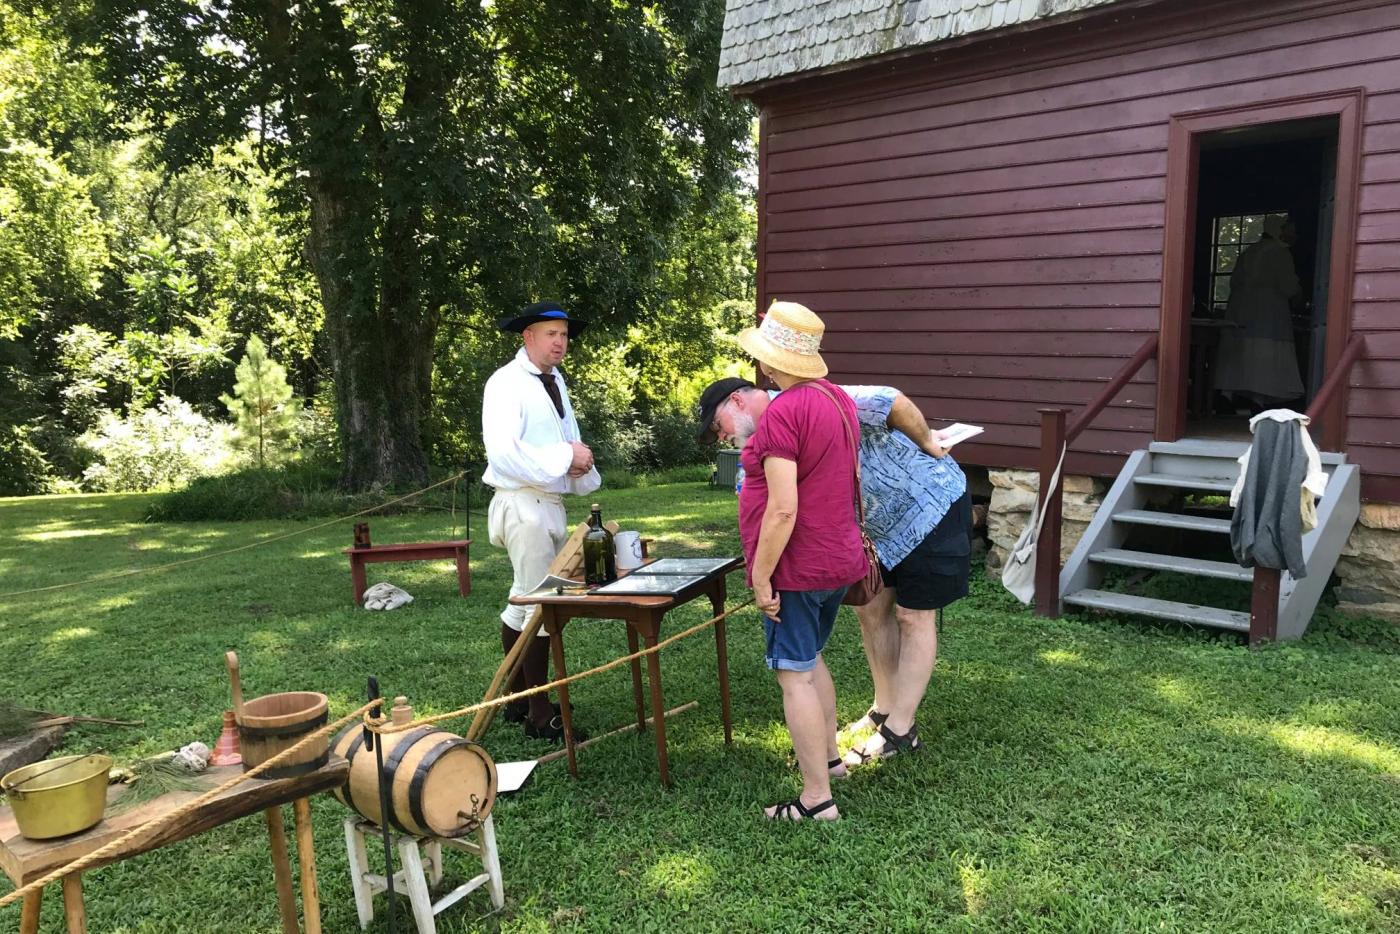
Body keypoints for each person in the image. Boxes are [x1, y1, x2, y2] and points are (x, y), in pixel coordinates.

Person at [698, 375, 971, 769]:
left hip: (927, 505)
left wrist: (927, 441)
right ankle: (884, 707)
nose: (720, 436)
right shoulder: (770, 432)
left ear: (737, 401)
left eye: (716, 425)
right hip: (879, 527)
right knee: (871, 608)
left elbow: (891, 399)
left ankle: (901, 729)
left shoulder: (813, 398)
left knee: (913, 616)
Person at [729, 300, 869, 822]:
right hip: (837, 557)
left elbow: (783, 507)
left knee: (794, 676)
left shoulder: (784, 411)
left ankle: (816, 799)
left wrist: (761, 575)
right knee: (810, 661)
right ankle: (830, 761)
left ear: (770, 360)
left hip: (799, 565)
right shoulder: (837, 399)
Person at [482, 300, 599, 742]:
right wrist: (566, 456)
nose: (560, 342)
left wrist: (578, 459)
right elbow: (504, 453)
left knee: (524, 601)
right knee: (542, 605)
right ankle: (539, 711)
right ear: (527, 336)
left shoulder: (555, 380)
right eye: (551, 334)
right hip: (522, 503)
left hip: (546, 501)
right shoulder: (506, 383)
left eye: (564, 335)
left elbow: (564, 439)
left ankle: (517, 698)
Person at [1214, 215, 1305, 413]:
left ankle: (1226, 395)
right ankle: (1258, 399)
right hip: (1268, 312)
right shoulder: (1280, 253)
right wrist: (1298, 293)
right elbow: (1288, 285)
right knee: (1264, 352)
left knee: (1239, 352)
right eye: (1289, 230)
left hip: (1241, 310)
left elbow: (1234, 282)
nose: (1293, 235)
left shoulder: (1248, 252)